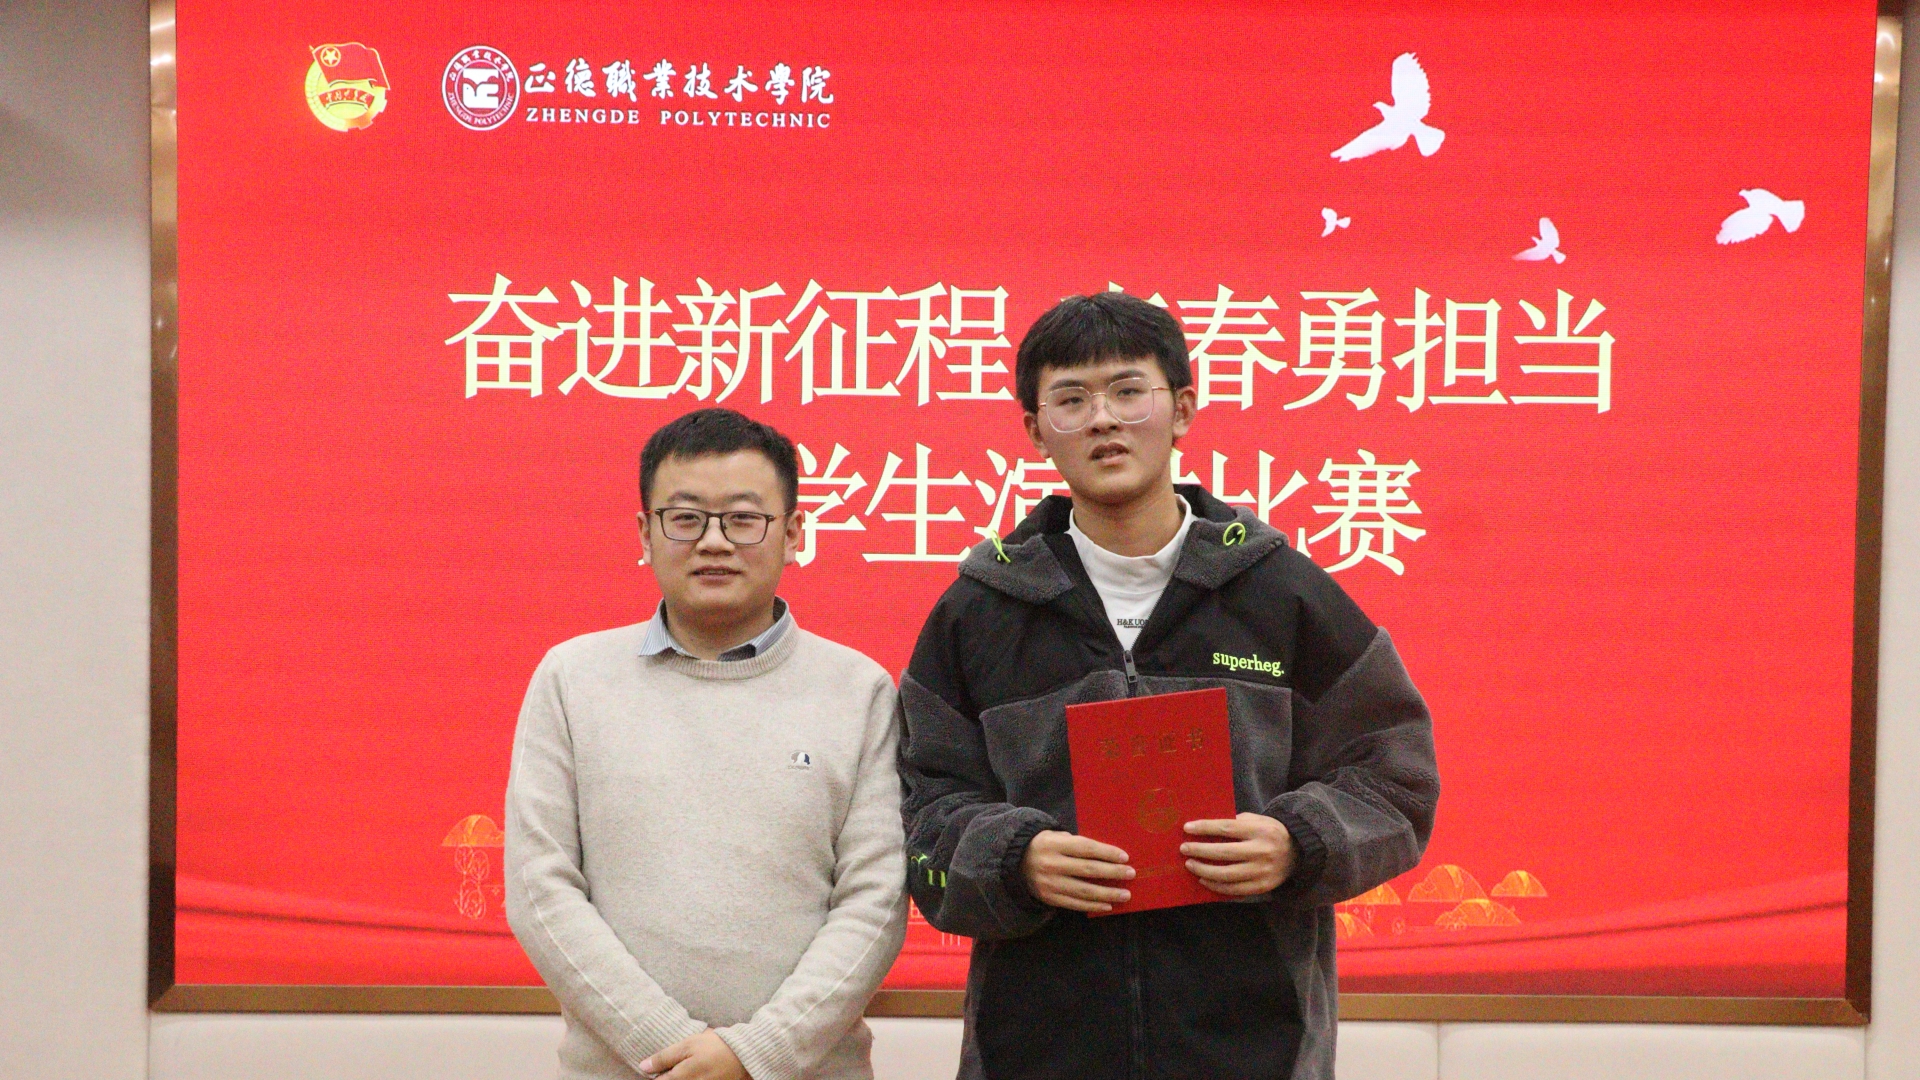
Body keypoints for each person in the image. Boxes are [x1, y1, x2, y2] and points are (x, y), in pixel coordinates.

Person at [896, 292, 1439, 1080]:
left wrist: (1299, 842)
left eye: (1128, 391)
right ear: (1036, 429)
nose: (1103, 420)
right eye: (1071, 400)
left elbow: (1395, 780)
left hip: (1257, 1049)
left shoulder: (1285, 594)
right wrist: (1014, 859)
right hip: (1035, 1051)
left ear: (1182, 408)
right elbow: (919, 814)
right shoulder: (977, 613)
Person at [506, 407, 907, 1080]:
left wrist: (755, 1054)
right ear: (645, 532)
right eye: (686, 518)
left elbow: (878, 899)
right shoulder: (571, 679)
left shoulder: (858, 689)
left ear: (793, 533)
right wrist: (672, 1051)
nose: (714, 542)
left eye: (744, 519)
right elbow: (539, 888)